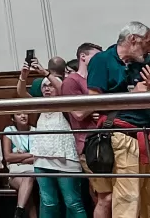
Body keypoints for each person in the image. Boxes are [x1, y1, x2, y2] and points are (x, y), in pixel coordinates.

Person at [88, 22, 150, 218]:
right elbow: (93, 101)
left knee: (146, 198)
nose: (149, 48)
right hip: (122, 135)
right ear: (133, 39)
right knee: (128, 198)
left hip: (145, 134)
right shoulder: (103, 60)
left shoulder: (145, 62)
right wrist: (133, 96)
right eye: (147, 42)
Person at [59, 43, 108, 218]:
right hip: (87, 143)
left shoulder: (96, 78)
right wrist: (99, 102)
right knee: (104, 196)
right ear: (83, 57)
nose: (101, 60)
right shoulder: (71, 81)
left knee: (110, 195)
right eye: (97, 56)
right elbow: (78, 113)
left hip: (103, 139)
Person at [33, 77, 87, 218]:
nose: (47, 88)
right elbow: (21, 92)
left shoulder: (67, 104)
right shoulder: (38, 104)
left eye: (51, 85)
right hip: (41, 160)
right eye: (44, 86)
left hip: (66, 159)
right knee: (48, 203)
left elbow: (63, 87)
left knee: (72, 202)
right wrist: (23, 76)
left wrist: (45, 73)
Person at [4, 111, 37, 218]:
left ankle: (18, 213)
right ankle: (19, 212)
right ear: (13, 118)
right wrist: (29, 155)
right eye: (18, 114)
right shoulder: (9, 130)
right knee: (27, 196)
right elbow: (8, 157)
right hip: (15, 173)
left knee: (28, 179)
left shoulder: (35, 131)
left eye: (25, 113)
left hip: (33, 172)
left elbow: (39, 155)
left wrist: (19, 157)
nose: (23, 116)